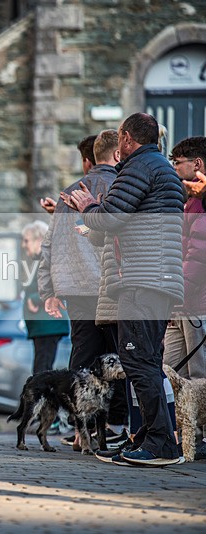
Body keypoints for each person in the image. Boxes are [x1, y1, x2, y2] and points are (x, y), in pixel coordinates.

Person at [64, 112, 185, 467]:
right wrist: (90, 218)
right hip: (156, 279)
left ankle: (161, 444)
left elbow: (109, 218)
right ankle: (150, 437)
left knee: (138, 360)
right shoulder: (159, 168)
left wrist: (88, 207)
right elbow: (115, 228)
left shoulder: (138, 167)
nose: (119, 148)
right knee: (146, 360)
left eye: (120, 140)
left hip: (142, 280)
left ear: (128, 139)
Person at [39, 130, 127, 448]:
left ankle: (81, 429)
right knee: (119, 355)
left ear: (87, 160)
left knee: (83, 355)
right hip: (112, 285)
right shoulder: (124, 188)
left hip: (77, 288)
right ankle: (118, 425)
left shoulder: (71, 192)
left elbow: (56, 243)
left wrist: (48, 289)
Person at [165, 136, 206, 460]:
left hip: (196, 304)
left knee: (199, 378)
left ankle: (198, 440)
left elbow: (198, 256)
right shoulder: (189, 200)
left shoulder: (201, 202)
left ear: (197, 164)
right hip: (180, 301)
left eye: (178, 162)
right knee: (169, 372)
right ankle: (180, 437)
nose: (174, 168)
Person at [21, 221, 69, 374]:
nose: (23, 245)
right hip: (43, 327)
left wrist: (33, 299)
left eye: (26, 240)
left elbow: (58, 284)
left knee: (41, 372)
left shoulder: (48, 258)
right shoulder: (40, 260)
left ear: (39, 239)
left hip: (48, 325)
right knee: (41, 370)